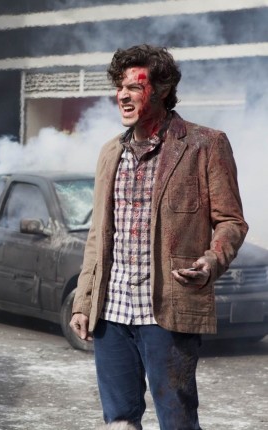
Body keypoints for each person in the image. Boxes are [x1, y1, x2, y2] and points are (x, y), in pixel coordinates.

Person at [69, 44, 248, 430]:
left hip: (168, 310)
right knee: (119, 420)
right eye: (120, 87)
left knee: (177, 421)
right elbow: (97, 236)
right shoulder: (109, 153)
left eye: (135, 87)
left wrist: (211, 260)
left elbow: (231, 222)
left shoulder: (205, 144)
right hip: (111, 310)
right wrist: (84, 300)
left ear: (163, 89)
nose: (122, 95)